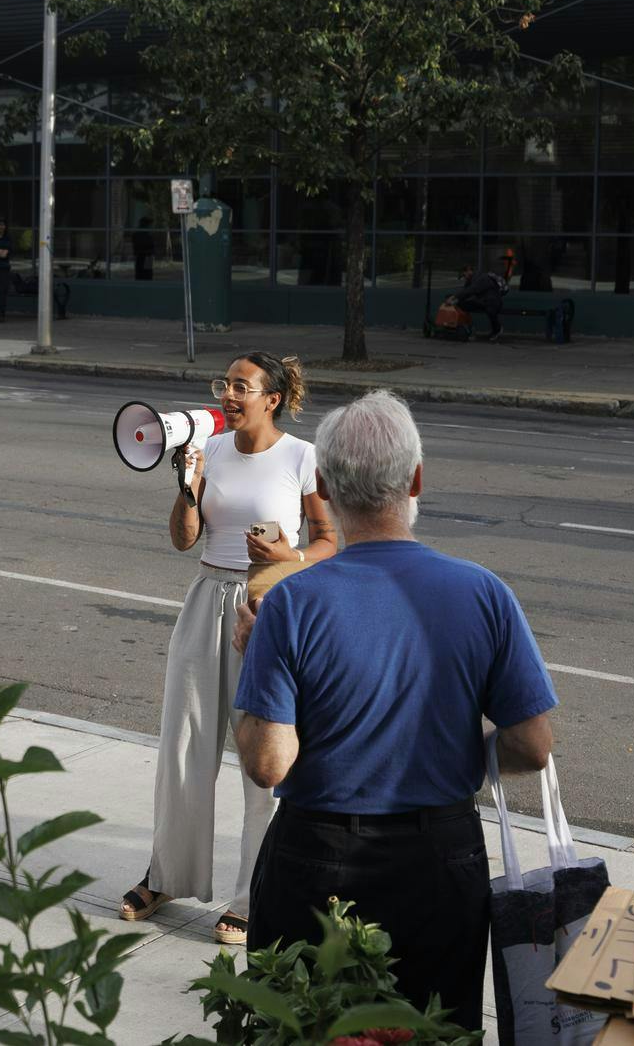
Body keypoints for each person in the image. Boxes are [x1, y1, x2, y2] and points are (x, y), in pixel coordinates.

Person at [233, 389, 557, 1033]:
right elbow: (532, 746)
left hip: (316, 857)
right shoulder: (484, 593)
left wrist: (254, 653)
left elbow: (269, 763)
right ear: (415, 479)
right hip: (440, 859)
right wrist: (460, 752)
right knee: (432, 1029)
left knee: (303, 1027)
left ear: (321, 485)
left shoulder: (292, 605)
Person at [121, 352, 337, 946]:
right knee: (184, 741)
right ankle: (167, 872)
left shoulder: (301, 456)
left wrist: (288, 560)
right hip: (206, 595)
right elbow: (183, 539)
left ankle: (252, 893)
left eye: (242, 386)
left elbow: (329, 541)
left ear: (272, 399)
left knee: (260, 756)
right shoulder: (209, 449)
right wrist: (187, 491)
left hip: (268, 605)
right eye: (226, 384)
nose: (229, 394)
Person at [451, 264, 509, 343]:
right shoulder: (470, 280)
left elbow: (472, 290)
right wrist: (455, 300)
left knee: (490, 310)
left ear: (469, 270)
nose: (464, 278)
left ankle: (497, 329)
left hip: (493, 302)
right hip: (483, 302)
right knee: (461, 304)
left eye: (464, 275)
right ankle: (468, 328)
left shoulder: (481, 277)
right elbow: (465, 291)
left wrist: (455, 297)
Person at [133, 217, 157, 281]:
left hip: (143, 256)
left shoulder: (138, 234)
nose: (151, 227)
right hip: (144, 255)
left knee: (142, 273)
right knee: (146, 274)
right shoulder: (146, 235)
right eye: (149, 225)